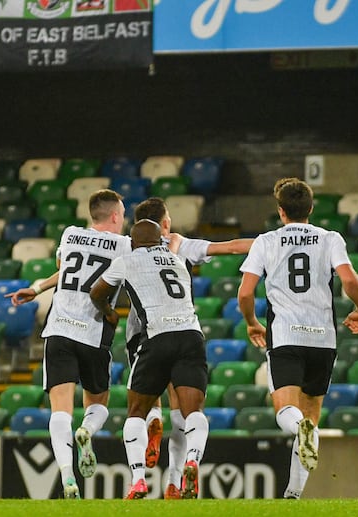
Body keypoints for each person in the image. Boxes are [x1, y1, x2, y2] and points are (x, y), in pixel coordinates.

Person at [237, 177, 358, 499]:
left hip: (285, 336)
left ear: (281, 211)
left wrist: (252, 323)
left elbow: (245, 293)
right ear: (311, 208)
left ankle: (300, 432)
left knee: (287, 412)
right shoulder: (329, 238)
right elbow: (349, 278)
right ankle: (294, 495)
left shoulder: (266, 241)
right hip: (323, 339)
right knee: (311, 414)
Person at [128, 197, 253, 499]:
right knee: (184, 410)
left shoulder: (128, 246)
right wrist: (271, 242)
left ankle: (151, 424)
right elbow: (231, 247)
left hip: (140, 334)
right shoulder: (179, 244)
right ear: (165, 223)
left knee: (140, 404)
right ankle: (175, 481)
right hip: (182, 330)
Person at [89, 219, 209, 500]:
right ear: (160, 241)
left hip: (157, 337)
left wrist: (108, 310)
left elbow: (97, 291)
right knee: (194, 413)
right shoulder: (177, 261)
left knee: (136, 412)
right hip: (191, 336)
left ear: (132, 242)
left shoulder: (127, 260)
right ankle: (192, 459)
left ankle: (139, 480)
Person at [25, 189, 131, 499]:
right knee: (97, 403)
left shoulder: (70, 235)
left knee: (59, 409)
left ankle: (68, 478)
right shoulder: (125, 246)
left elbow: (67, 270)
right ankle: (87, 432)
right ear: (114, 216)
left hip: (59, 329)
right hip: (93, 333)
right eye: (122, 215)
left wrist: (36, 288)